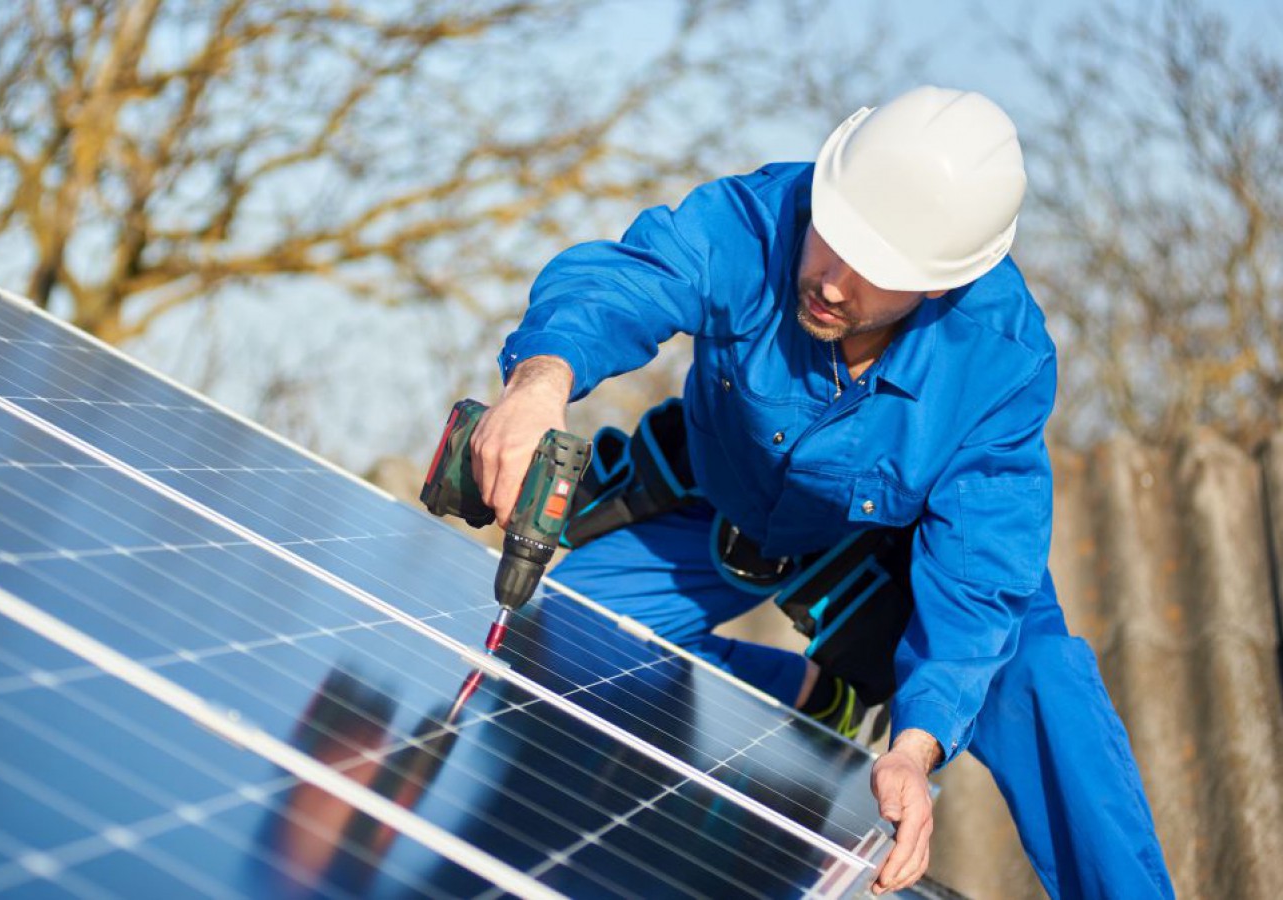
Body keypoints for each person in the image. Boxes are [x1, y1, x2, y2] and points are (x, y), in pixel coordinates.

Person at [469, 86, 1173, 897]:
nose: (832, 280)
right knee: (564, 639)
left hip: (888, 558)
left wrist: (916, 745)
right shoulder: (759, 220)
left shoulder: (999, 361)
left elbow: (981, 574)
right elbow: (633, 277)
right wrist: (541, 378)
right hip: (727, 503)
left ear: (940, 283)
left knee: (1041, 684)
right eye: (830, 239)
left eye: (875, 271)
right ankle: (812, 699)